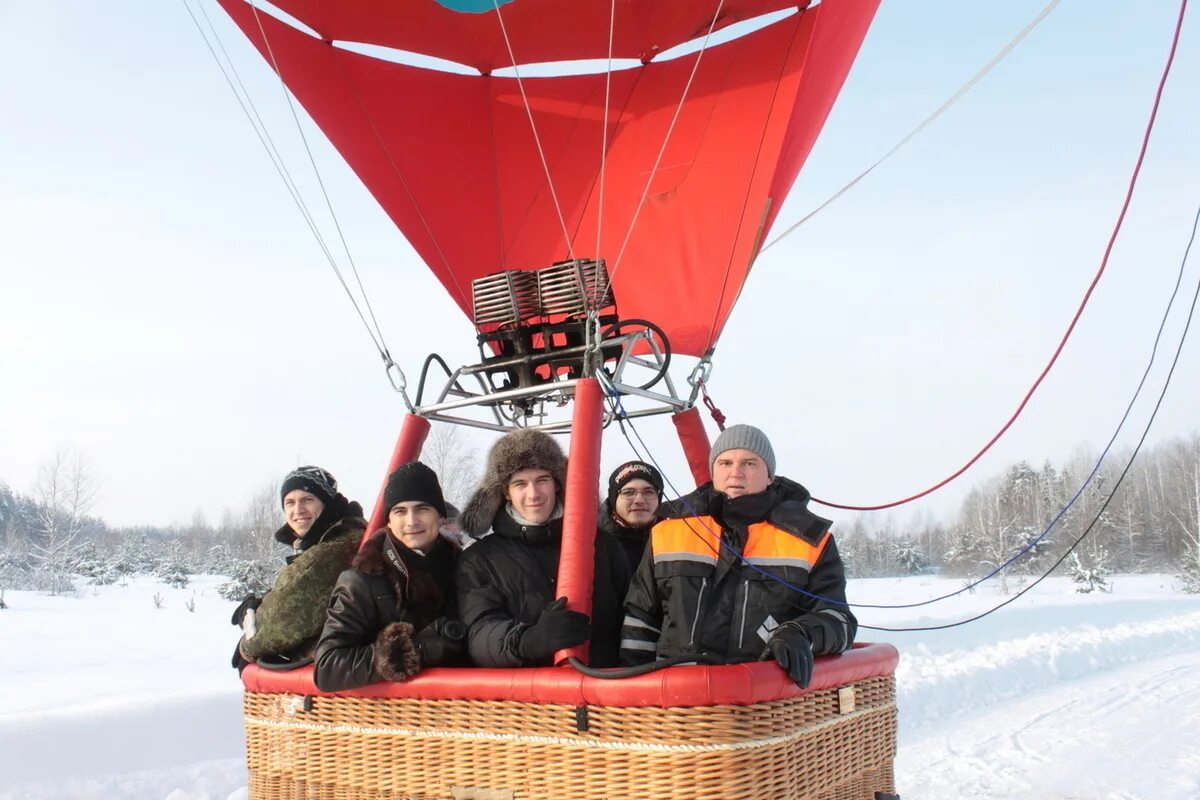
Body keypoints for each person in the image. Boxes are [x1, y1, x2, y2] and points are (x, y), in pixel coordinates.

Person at [620, 425, 856, 687]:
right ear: (713, 472)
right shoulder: (669, 530)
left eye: (749, 463)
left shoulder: (809, 539)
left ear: (770, 476)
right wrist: (637, 690)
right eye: (725, 463)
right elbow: (640, 619)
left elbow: (839, 620)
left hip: (763, 699)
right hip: (678, 699)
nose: (736, 473)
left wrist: (800, 633)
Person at [457, 429, 630, 668]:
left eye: (542, 480)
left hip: (603, 691)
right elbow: (479, 632)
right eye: (520, 484)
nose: (533, 494)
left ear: (556, 484)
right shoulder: (478, 559)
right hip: (527, 699)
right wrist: (528, 640)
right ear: (506, 492)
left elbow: (630, 616)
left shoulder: (602, 545)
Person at [314, 461, 466, 691]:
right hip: (393, 720)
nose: (412, 521)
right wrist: (406, 651)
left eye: (422, 508)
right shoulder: (362, 581)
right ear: (389, 521)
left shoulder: (467, 569)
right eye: (400, 511)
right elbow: (327, 667)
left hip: (464, 713)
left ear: (440, 516)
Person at [232, 466, 366, 669]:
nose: (298, 510)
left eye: (307, 500)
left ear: (327, 503)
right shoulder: (333, 538)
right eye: (290, 502)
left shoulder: (334, 548)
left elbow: (280, 619)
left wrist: (246, 648)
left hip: (337, 670)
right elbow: (291, 594)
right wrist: (257, 605)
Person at [599, 460, 664, 577]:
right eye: (629, 492)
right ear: (614, 500)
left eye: (648, 492)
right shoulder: (594, 543)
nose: (639, 500)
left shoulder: (675, 542)